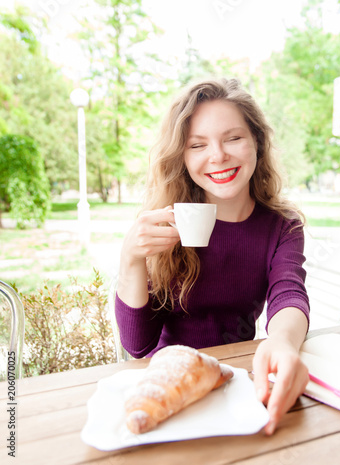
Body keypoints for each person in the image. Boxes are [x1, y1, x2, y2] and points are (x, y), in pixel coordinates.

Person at [115, 78, 310, 435]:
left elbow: (289, 293)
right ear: (184, 157)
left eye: (234, 138)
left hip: (234, 384)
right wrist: (130, 259)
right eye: (198, 144)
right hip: (169, 391)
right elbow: (138, 345)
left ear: (258, 144)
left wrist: (282, 342)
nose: (218, 155)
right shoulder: (166, 223)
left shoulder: (282, 227)